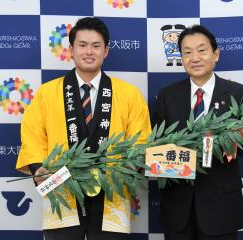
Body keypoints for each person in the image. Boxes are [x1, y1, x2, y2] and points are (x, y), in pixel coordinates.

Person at [16, 17, 151, 240]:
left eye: (96, 46)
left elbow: (141, 140)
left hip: (112, 193)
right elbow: (32, 136)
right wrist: (39, 168)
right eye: (82, 45)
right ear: (71, 50)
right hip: (61, 188)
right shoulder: (47, 93)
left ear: (106, 51)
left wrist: (128, 169)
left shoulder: (129, 94)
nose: (89, 51)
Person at [152, 25, 243, 240]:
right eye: (187, 52)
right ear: (180, 57)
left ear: (215, 54)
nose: (194, 58)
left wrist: (241, 137)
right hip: (177, 206)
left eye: (202, 50)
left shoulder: (239, 94)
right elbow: (157, 147)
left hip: (221, 206)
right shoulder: (167, 96)